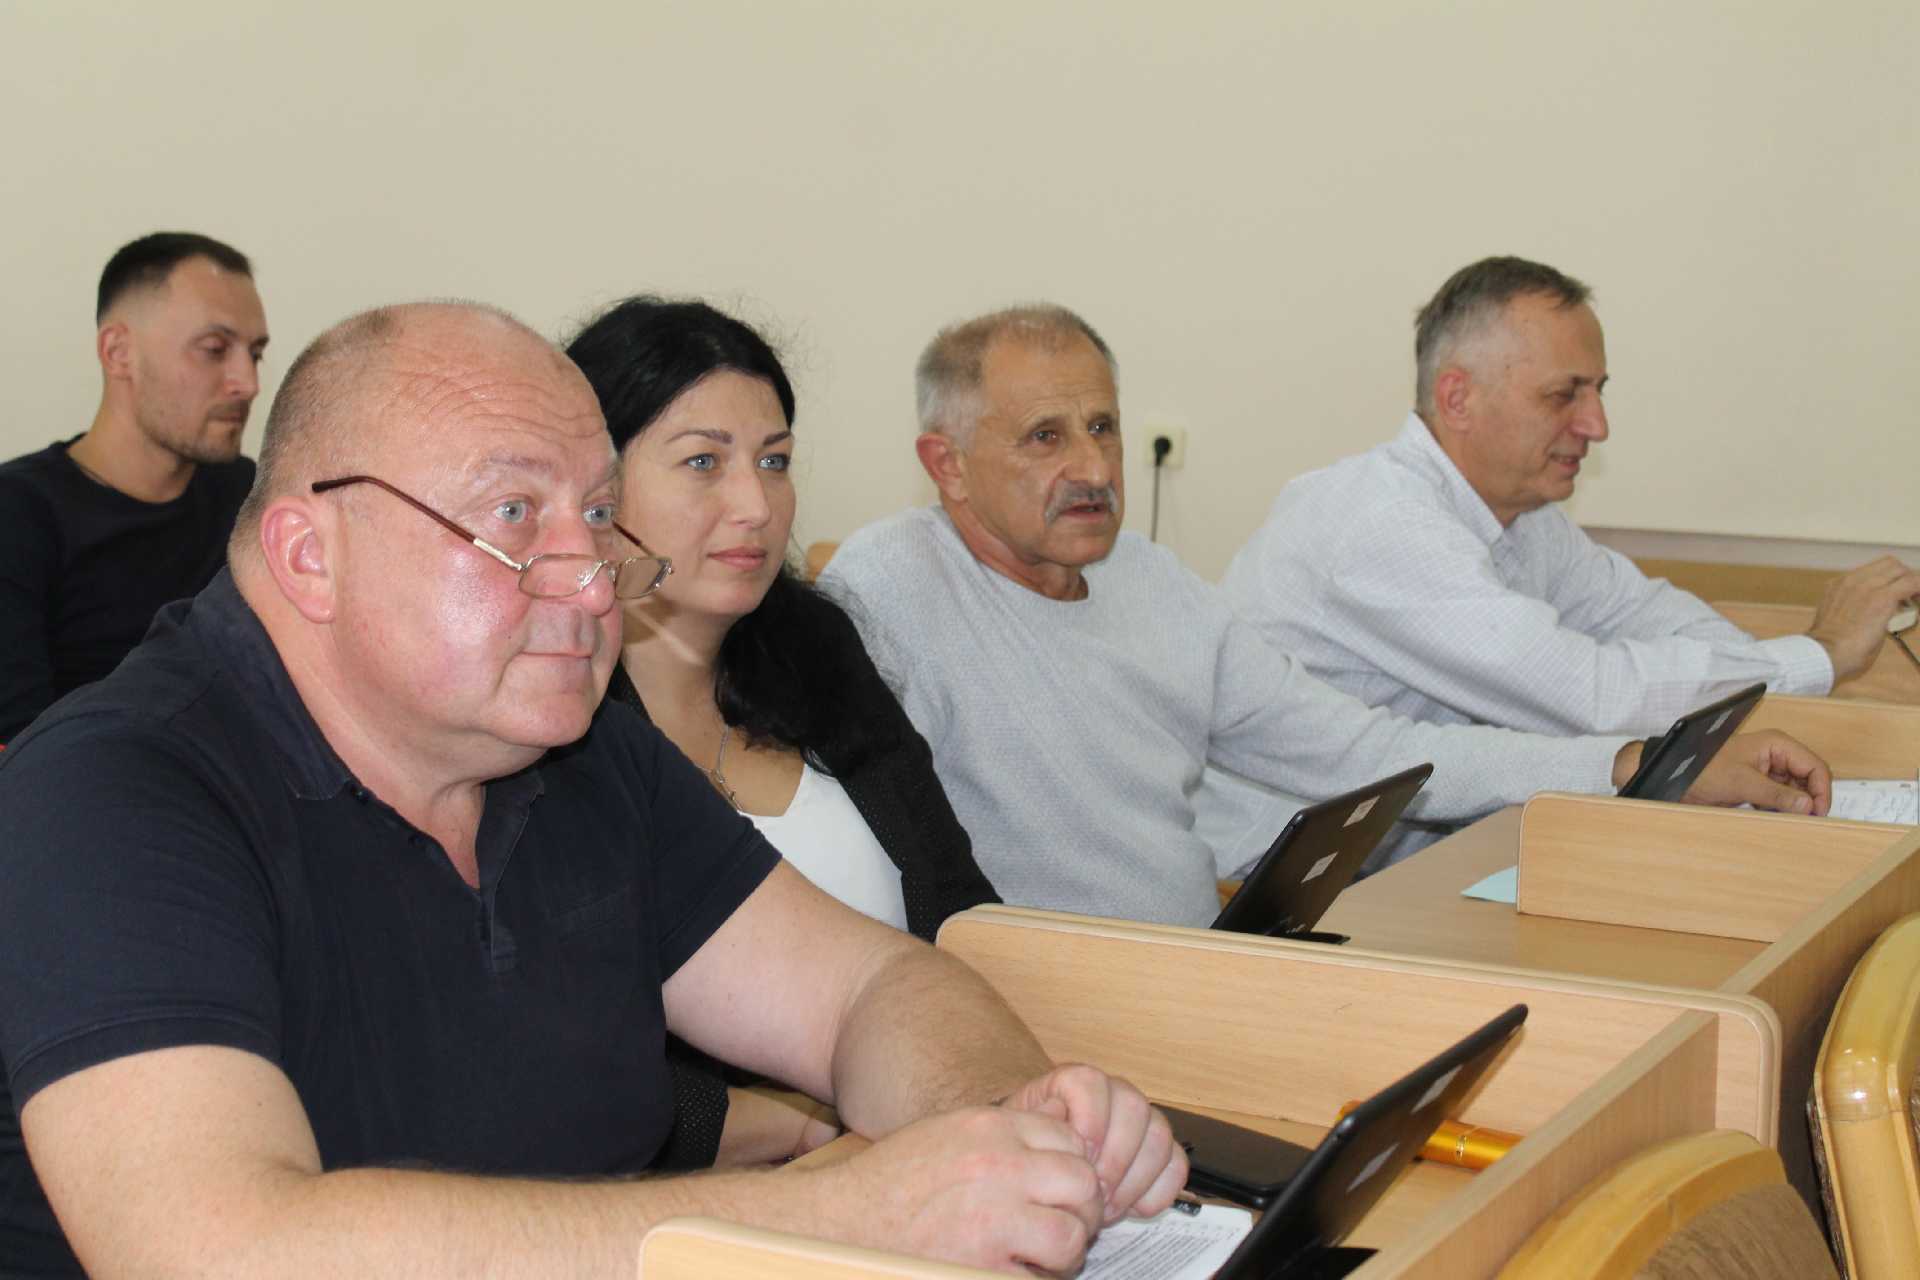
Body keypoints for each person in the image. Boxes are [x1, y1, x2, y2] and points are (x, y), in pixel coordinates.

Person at [0, 302, 1183, 1278]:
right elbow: (218, 1249)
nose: (593, 584)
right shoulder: (115, 790)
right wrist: (843, 1214)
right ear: (313, 554)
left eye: (603, 515)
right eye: (517, 515)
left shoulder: (577, 754)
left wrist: (1002, 1127)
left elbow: (870, 984)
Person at [818, 304, 1832, 926]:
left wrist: (1638, 766)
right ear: (948, 464)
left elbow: (1368, 752)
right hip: (1048, 1009)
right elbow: (879, 875)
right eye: (1046, 437)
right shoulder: (895, 584)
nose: (1093, 466)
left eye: (1103, 426)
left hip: (1198, 969)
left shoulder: (1150, 582)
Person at [564, 295, 998, 1170]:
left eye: (774, 462)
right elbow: (570, 1051)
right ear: (595, 490)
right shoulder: (557, 714)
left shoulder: (819, 649)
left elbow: (960, 906)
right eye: (703, 462)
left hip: (924, 1120)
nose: (756, 505)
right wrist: (795, 1128)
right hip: (705, 1192)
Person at [1219, 256, 1920, 741]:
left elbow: (1649, 618)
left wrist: (1778, 672)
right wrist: (1820, 653)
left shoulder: (1524, 516)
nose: (1597, 425)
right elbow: (1593, 698)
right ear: (1457, 398)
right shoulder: (1379, 522)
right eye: (1563, 395)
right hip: (1284, 887)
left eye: (1598, 391)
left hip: (1421, 856)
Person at [0, 231, 268, 741]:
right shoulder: (18, 516)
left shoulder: (248, 494)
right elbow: (17, 751)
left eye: (254, 353)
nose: (248, 383)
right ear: (118, 351)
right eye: (215, 349)